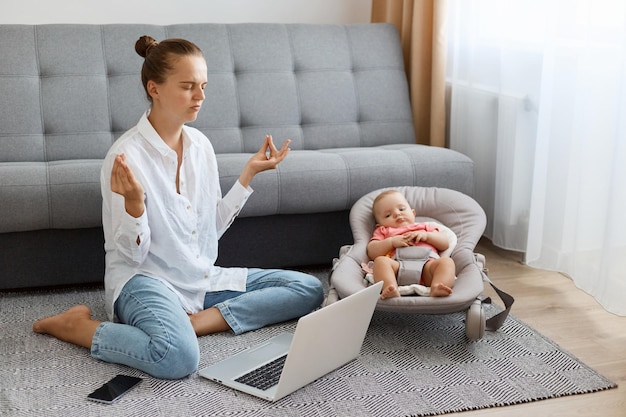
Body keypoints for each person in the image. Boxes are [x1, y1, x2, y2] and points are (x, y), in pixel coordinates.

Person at [33, 36, 324, 379]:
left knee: (308, 289)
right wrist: (134, 205)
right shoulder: (126, 156)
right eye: (187, 87)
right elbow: (130, 256)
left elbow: (207, 231)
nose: (200, 97)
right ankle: (75, 326)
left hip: (197, 277)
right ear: (154, 88)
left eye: (203, 86)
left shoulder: (201, 146)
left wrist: (247, 177)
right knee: (177, 358)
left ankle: (198, 321)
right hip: (144, 281)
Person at [367, 190, 455, 299]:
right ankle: (390, 287)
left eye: (402, 209)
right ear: (379, 224)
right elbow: (372, 251)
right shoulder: (384, 231)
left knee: (446, 262)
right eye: (388, 215)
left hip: (427, 267)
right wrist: (391, 242)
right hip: (398, 268)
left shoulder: (426, 227)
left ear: (413, 213)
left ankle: (438, 285)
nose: (397, 213)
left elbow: (445, 243)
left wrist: (427, 236)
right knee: (380, 261)